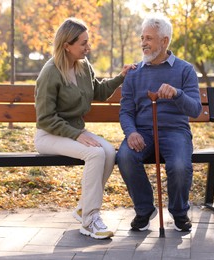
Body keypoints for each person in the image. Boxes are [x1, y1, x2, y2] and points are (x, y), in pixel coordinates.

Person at [34, 17, 134, 240]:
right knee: (95, 153)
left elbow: (98, 92)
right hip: (49, 135)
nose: (88, 47)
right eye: (83, 43)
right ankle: (89, 220)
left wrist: (121, 77)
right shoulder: (50, 72)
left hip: (74, 133)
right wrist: (77, 134)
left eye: (88, 42)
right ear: (66, 46)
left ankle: (83, 208)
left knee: (108, 151)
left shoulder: (82, 66)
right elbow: (45, 118)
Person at [116, 14, 202, 232]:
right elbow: (126, 111)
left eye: (149, 38)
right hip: (142, 132)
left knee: (180, 166)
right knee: (125, 156)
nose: (143, 43)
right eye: (142, 38)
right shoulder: (134, 73)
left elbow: (196, 109)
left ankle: (179, 211)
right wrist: (131, 132)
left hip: (175, 132)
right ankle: (144, 210)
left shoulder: (185, 70)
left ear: (164, 41)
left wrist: (176, 93)